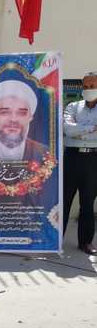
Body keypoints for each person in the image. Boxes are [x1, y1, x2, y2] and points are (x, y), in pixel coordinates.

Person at [0, 79, 47, 169]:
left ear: (30, 117)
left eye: (22, 113)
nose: (13, 119)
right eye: (5, 112)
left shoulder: (45, 155)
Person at [62, 72, 97, 255]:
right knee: (64, 201)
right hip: (72, 159)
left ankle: (86, 242)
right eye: (85, 86)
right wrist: (92, 129)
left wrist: (79, 131)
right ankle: (55, 240)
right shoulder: (72, 106)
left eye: (92, 86)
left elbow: (74, 131)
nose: (88, 89)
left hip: (93, 160)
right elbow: (67, 129)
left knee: (88, 202)